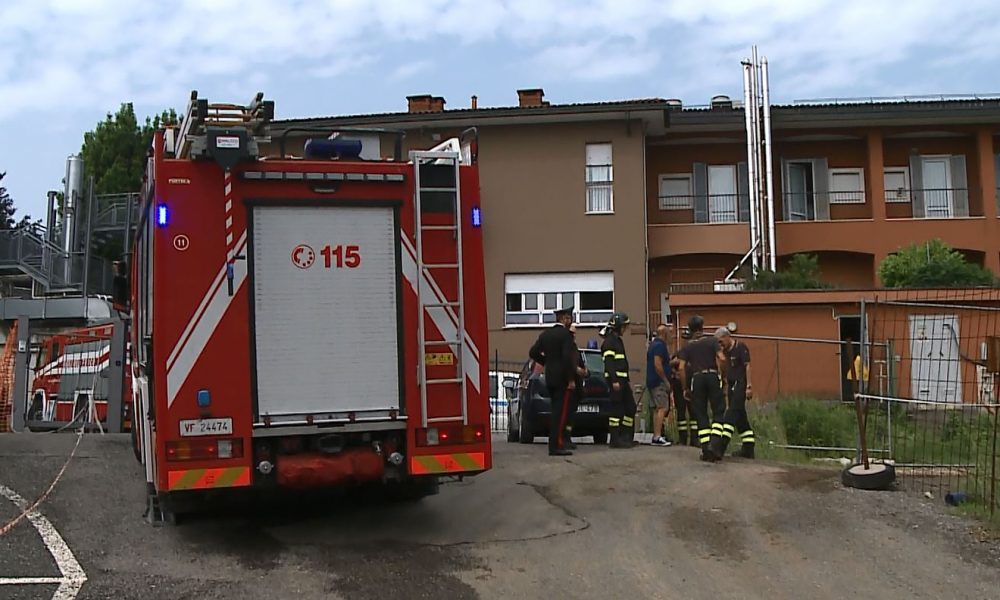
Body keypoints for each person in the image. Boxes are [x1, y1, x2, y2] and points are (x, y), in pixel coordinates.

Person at [528, 306, 579, 456]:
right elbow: (566, 357)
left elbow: (533, 352)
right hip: (562, 378)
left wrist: (545, 362)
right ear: (563, 319)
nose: (571, 321)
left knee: (555, 411)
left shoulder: (546, 334)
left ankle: (555, 444)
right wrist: (570, 379)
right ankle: (556, 445)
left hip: (550, 376)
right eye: (569, 318)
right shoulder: (566, 335)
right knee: (561, 413)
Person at [677, 315, 727, 462]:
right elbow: (722, 359)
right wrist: (722, 376)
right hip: (712, 376)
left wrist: (685, 387)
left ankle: (706, 449)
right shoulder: (712, 341)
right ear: (702, 327)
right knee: (718, 410)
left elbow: (681, 368)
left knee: (701, 414)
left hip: (696, 379)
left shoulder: (687, 346)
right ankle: (715, 443)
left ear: (690, 329)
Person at [712, 327, 755, 459]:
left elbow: (748, 365)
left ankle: (721, 447)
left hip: (740, 384)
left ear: (727, 336)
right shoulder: (725, 353)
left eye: (721, 341)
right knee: (741, 418)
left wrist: (749, 386)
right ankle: (748, 448)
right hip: (731, 385)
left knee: (730, 415)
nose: (720, 345)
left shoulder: (740, 347)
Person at [602, 312, 637, 449]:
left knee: (630, 408)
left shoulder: (617, 341)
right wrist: (614, 380)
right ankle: (615, 439)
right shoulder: (609, 342)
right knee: (616, 411)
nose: (625, 329)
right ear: (617, 327)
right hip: (616, 381)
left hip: (622, 380)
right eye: (624, 327)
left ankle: (626, 437)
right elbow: (609, 364)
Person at [563, 323, 590, 450]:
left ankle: (567, 437)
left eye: (574, 333)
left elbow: (580, 363)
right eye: (571, 333)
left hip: (576, 386)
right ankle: (565, 438)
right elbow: (568, 364)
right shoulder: (565, 347)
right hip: (568, 386)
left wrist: (585, 371)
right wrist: (574, 373)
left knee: (571, 414)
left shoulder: (574, 348)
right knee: (567, 414)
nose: (573, 336)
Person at [645, 323, 673, 447]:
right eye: (669, 333)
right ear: (664, 334)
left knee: (657, 408)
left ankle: (656, 435)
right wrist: (666, 381)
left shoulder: (652, 345)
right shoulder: (660, 346)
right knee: (662, 407)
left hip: (651, 381)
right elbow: (658, 364)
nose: (671, 336)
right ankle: (657, 436)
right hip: (658, 382)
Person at [671, 328, 697, 447]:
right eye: (684, 338)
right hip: (679, 385)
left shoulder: (695, 352)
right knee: (681, 412)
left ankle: (694, 439)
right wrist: (674, 367)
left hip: (692, 384)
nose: (686, 341)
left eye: (688, 338)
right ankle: (682, 438)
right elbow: (669, 364)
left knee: (693, 413)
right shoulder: (678, 353)